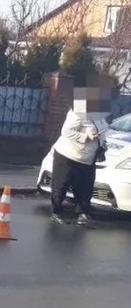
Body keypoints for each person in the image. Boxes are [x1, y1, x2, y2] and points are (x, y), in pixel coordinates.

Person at [49, 72, 112, 227]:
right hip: (68, 155)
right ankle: (56, 212)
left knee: (85, 187)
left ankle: (83, 214)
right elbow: (66, 132)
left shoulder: (99, 114)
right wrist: (86, 137)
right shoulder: (78, 111)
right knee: (61, 184)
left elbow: (102, 130)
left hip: (88, 158)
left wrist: (102, 145)